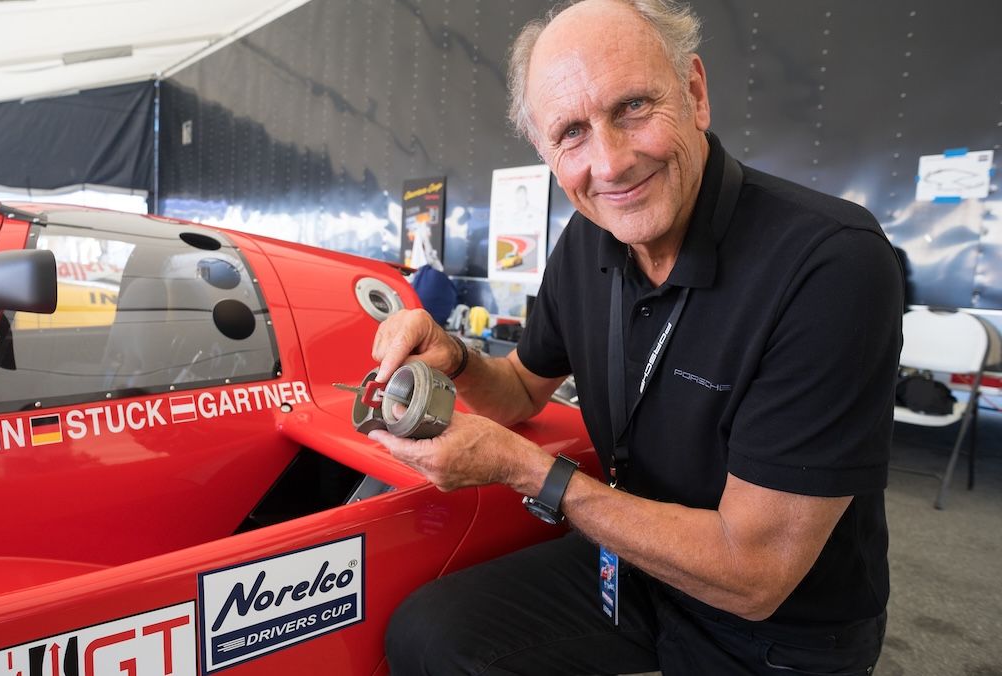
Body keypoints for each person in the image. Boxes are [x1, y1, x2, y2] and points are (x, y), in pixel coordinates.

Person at [369, 1, 904, 674]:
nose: (611, 163)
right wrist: (454, 357)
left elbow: (755, 574)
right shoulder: (586, 240)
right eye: (571, 132)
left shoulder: (830, 264)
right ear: (546, 153)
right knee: (429, 636)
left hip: (776, 629)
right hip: (637, 563)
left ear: (695, 93)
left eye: (632, 107)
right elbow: (519, 391)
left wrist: (527, 470)